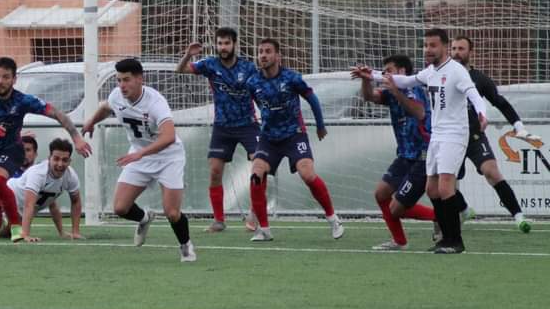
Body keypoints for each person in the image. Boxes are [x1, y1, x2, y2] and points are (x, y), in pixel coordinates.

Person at [352, 28, 488, 254]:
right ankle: (445, 238)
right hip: (437, 135)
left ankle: (455, 240)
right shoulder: (430, 72)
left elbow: (473, 93)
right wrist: (372, 75)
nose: (428, 50)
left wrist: (482, 113)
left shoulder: (456, 71)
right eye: (425, 46)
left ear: (445, 47)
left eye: (433, 45)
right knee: (432, 189)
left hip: (455, 134)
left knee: (445, 186)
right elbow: (404, 80)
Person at [81, 58, 196, 263]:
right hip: (139, 155)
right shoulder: (117, 95)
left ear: (140, 79)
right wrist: (91, 121)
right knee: (120, 208)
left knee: (171, 212)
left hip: (168, 157)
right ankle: (144, 218)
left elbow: (169, 136)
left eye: (126, 80)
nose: (122, 86)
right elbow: (107, 107)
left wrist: (140, 154)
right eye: (119, 80)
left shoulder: (155, 102)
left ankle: (185, 245)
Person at [0, 56, 91, 240]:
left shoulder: (23, 101)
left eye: (5, 77)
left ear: (14, 80)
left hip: (11, 149)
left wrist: (76, 137)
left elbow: (57, 113)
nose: (0, 81)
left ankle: (16, 226)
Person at [246, 39, 344, 242]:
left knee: (307, 175)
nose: (263, 55)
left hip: (294, 135)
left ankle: (333, 218)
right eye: (260, 52)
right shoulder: (253, 82)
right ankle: (264, 229)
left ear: (278, 56)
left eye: (268, 51)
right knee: (256, 176)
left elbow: (312, 99)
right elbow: (256, 105)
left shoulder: (291, 78)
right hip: (268, 138)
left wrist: (320, 125)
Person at [176, 26, 261, 232]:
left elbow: (259, 91)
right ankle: (219, 220)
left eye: (227, 43)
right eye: (220, 43)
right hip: (222, 127)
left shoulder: (248, 68)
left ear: (234, 44)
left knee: (259, 168)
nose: (223, 47)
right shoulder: (210, 65)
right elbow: (180, 70)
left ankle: (255, 213)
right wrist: (188, 54)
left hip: (248, 125)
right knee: (214, 171)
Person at [450, 36, 537, 234]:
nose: (456, 52)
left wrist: (518, 126)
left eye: (461, 49)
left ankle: (518, 217)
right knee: (443, 183)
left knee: (492, 171)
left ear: (471, 52)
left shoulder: (479, 78)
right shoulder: (442, 77)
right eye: (453, 48)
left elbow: (501, 102)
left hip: (474, 137)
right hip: (450, 138)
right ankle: (463, 210)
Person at [355, 54, 436, 250]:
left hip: (423, 155)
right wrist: (366, 80)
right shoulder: (390, 93)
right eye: (384, 72)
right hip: (404, 155)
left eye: (389, 71)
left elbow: (419, 113)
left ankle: (443, 216)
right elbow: (369, 96)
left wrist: (396, 92)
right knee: (381, 194)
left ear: (402, 72)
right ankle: (399, 241)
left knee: (396, 209)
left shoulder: (414, 89)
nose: (385, 75)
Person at [0, 138, 83, 245]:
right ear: (49, 158)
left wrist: (72, 232)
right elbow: (29, 205)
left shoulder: (71, 176)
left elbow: (65, 203)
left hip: (19, 214)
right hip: (3, 198)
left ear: (69, 161)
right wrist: (26, 235)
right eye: (56, 159)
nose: (60, 164)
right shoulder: (38, 173)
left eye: (64, 160)